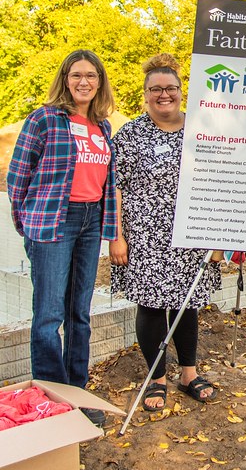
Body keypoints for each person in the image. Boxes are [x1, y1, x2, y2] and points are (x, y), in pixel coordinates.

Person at [7, 50, 118, 425]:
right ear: (65, 79)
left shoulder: (102, 126)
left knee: (79, 315)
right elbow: (17, 176)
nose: (84, 81)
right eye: (76, 75)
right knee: (48, 316)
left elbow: (108, 182)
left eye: (91, 75)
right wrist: (28, 223)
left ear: (100, 81)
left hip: (89, 222)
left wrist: (110, 227)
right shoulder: (45, 119)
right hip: (54, 221)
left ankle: (77, 392)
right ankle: (51, 401)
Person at [109, 54, 222, 411]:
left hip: (192, 234)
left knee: (186, 303)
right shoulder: (130, 134)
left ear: (180, 91)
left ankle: (189, 373)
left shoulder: (203, 129)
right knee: (153, 306)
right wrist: (116, 235)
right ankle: (156, 378)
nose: (163, 95)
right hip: (144, 236)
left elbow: (223, 181)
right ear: (145, 94)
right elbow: (115, 188)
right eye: (155, 89)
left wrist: (219, 237)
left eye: (170, 88)